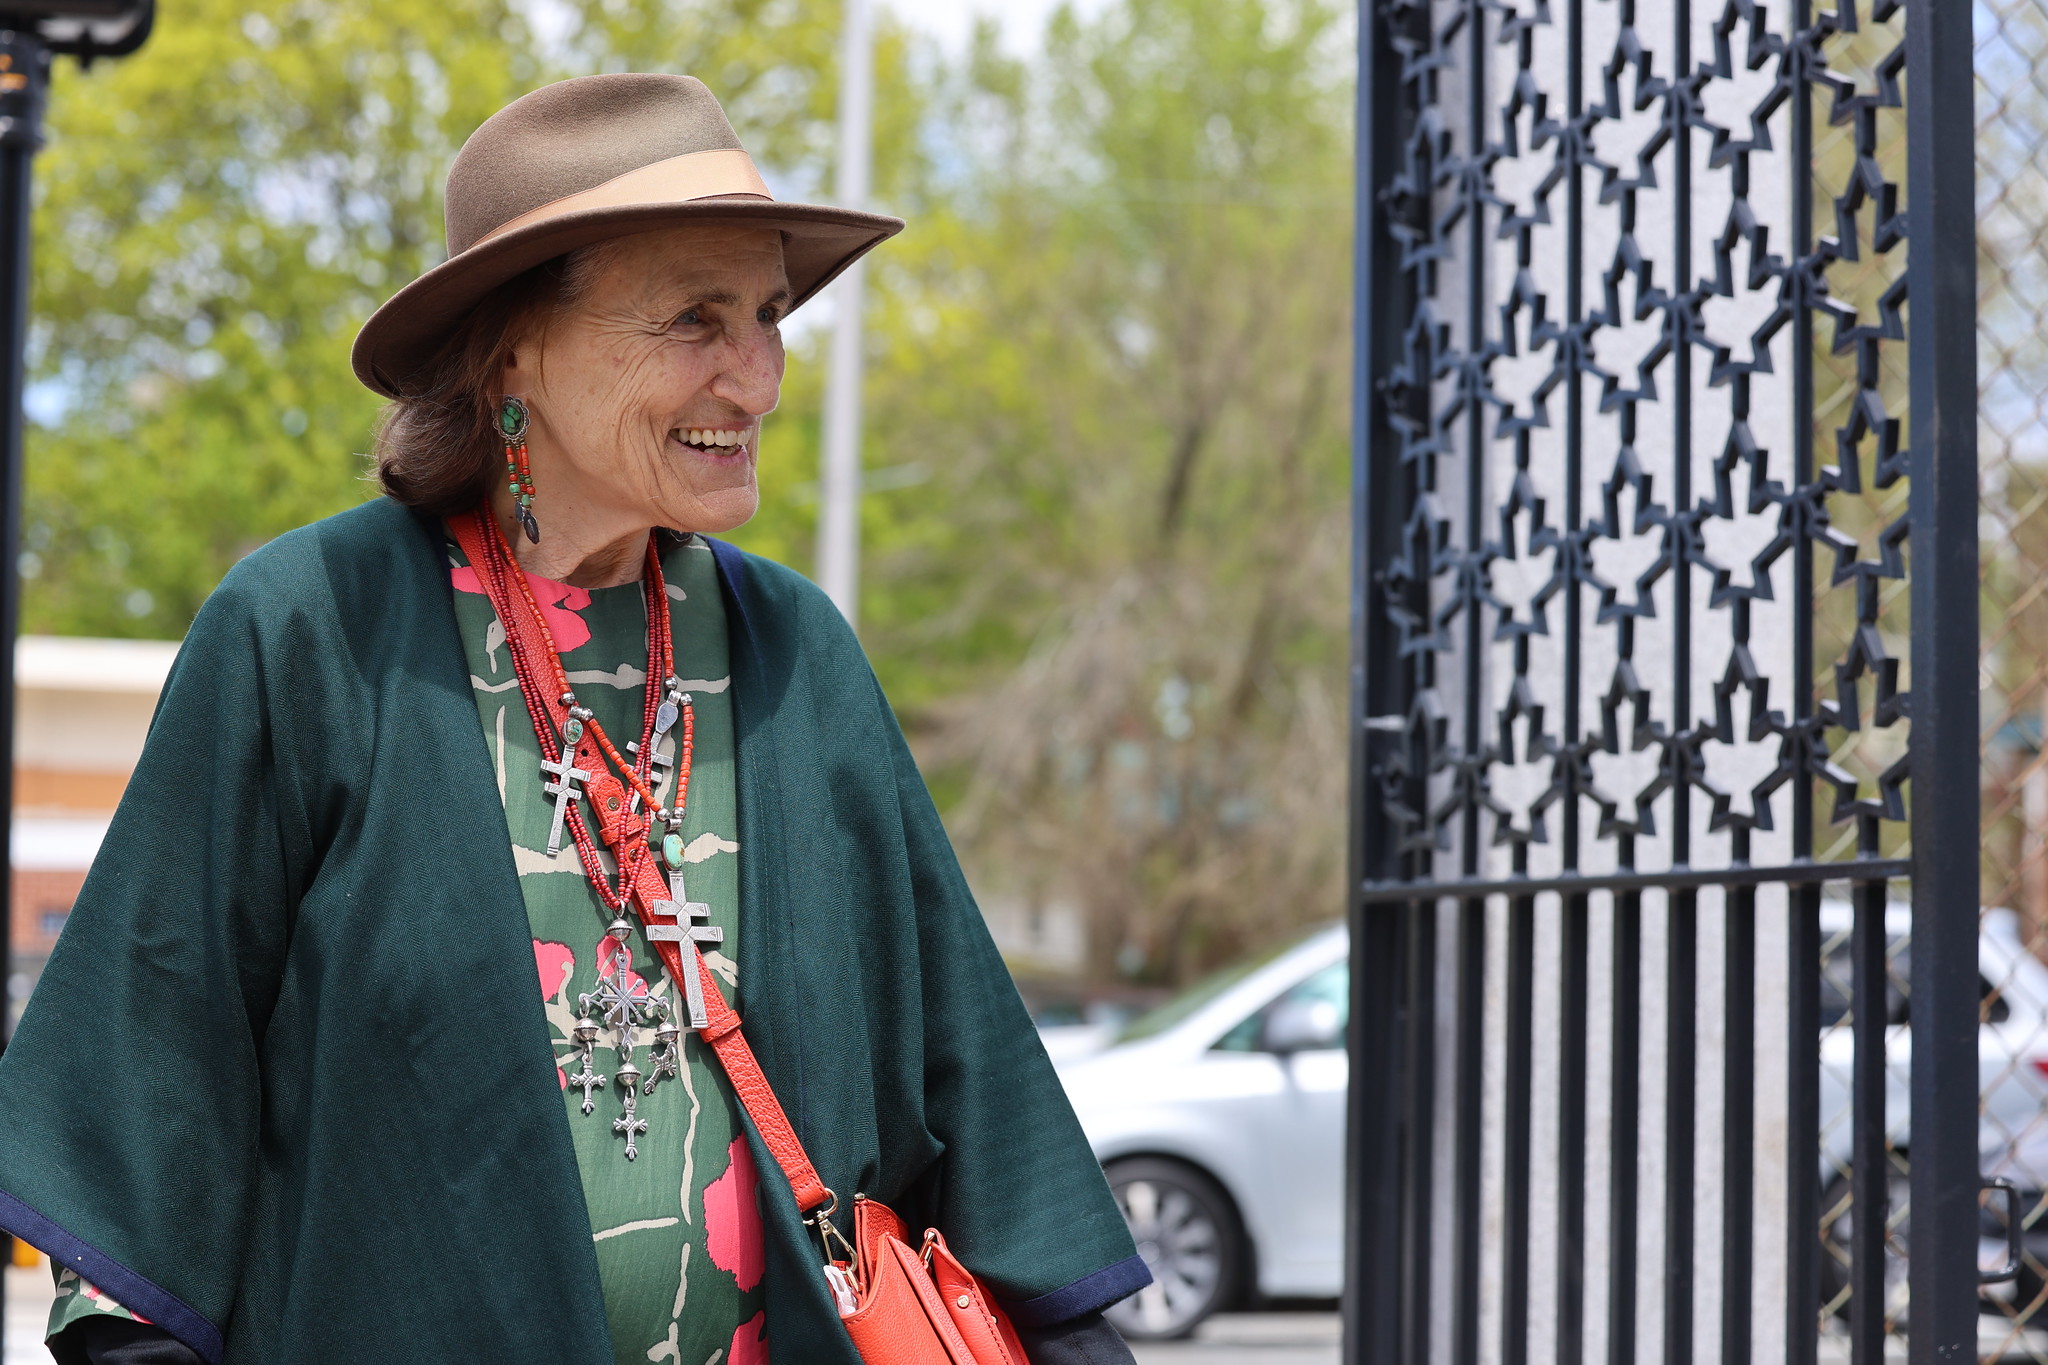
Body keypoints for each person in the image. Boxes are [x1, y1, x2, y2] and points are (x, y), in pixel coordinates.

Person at [0, 74, 1147, 1365]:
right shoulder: (310, 628)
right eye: (694, 319)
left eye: (768, 314)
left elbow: (968, 1073)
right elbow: (155, 1051)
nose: (758, 376)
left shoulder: (798, 654)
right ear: (510, 351)